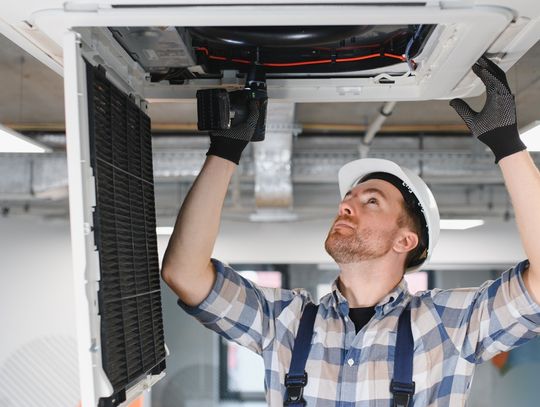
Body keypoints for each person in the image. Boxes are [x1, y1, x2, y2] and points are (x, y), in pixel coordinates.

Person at [161, 56, 540, 406]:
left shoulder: (448, 324)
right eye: (348, 198)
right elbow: (185, 273)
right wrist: (226, 150)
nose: (345, 205)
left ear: (405, 240)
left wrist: (508, 145)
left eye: (370, 200)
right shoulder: (286, 322)